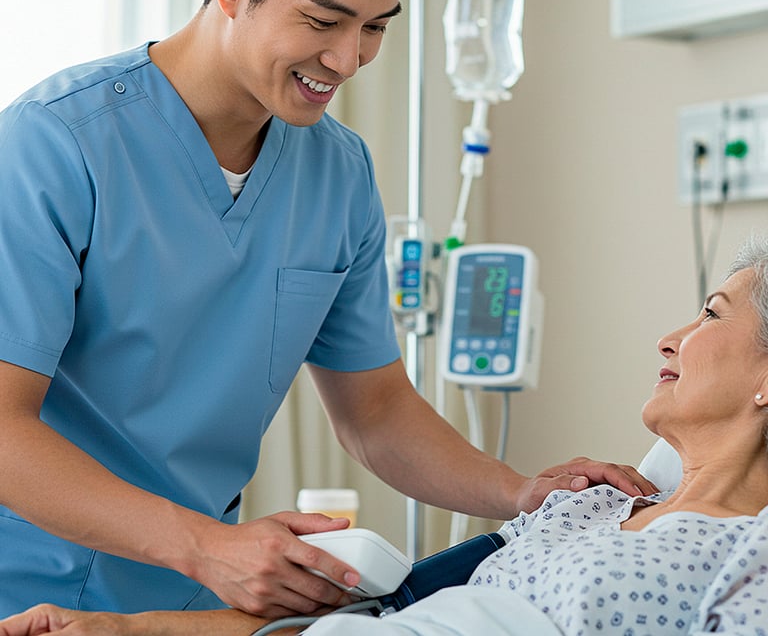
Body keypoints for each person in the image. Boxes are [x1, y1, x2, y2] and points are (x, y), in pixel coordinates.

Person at [0, 0, 653, 621]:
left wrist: (521, 493)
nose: (348, 61)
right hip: (25, 592)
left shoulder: (338, 173)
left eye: (375, 27)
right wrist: (209, 547)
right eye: (323, 21)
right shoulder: (54, 147)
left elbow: (375, 410)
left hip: (186, 608)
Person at [5, 236, 768, 635]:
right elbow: (371, 614)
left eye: (709, 314)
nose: (670, 338)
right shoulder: (587, 506)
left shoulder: (751, 555)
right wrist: (117, 629)